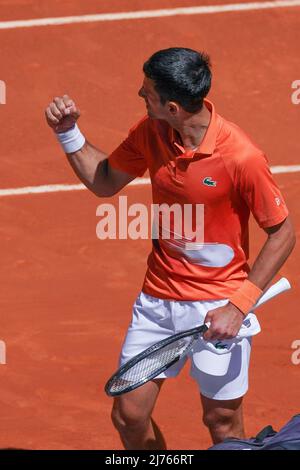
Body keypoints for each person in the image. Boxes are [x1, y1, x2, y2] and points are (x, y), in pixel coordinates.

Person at [45, 47, 295, 450]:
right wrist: (68, 131)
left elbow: (283, 233)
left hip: (221, 303)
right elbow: (105, 181)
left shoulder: (242, 158)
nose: (139, 95)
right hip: (158, 302)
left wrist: (238, 305)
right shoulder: (152, 131)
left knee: (222, 422)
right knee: (129, 415)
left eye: (147, 93)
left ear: (173, 106)